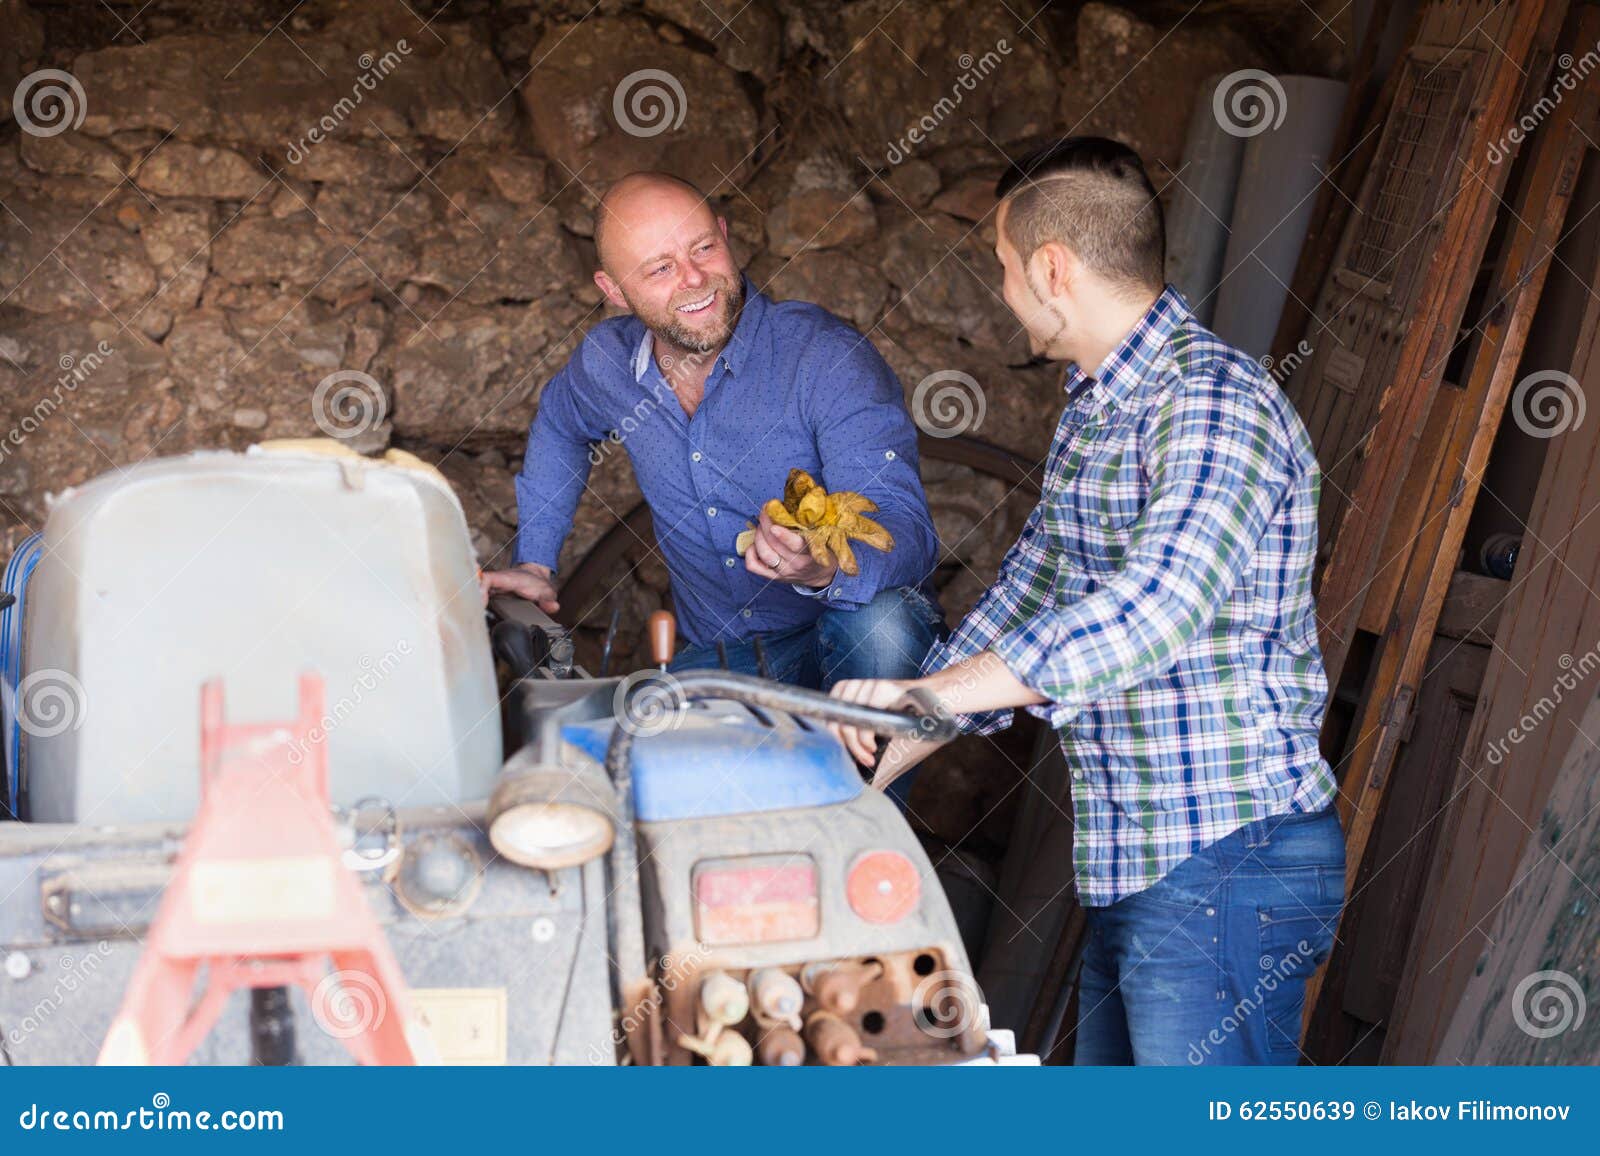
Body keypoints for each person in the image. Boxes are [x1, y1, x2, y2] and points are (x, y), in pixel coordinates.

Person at [825, 138, 1345, 1064]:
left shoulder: (1214, 403)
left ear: (1051, 268)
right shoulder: (1095, 406)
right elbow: (1027, 599)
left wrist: (936, 697)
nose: (1003, 290)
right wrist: (878, 764)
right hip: (1139, 866)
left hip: (1225, 859)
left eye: (1002, 267)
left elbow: (1152, 612)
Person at [482, 172, 944, 716]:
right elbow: (560, 425)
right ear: (614, 291)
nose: (694, 278)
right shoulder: (608, 366)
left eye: (704, 247)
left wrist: (823, 570)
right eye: (660, 268)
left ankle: (865, 799)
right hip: (720, 663)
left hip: (844, 645)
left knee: (885, 627)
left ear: (725, 235)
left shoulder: (826, 359)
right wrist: (535, 562)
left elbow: (908, 533)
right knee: (610, 761)